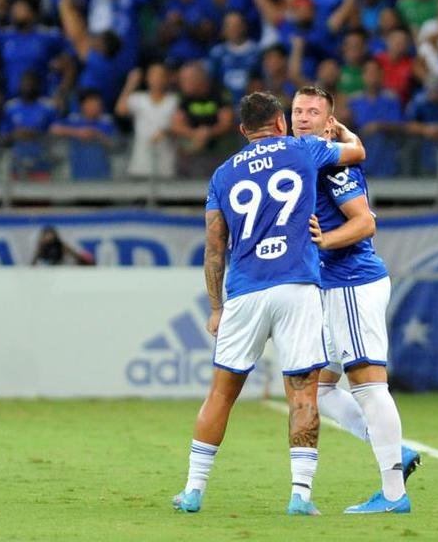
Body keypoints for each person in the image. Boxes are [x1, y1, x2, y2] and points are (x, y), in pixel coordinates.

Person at [171, 90, 366, 516]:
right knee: (303, 393)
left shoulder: (222, 175)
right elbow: (356, 153)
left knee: (221, 394)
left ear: (243, 131)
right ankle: (300, 496)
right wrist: (342, 131)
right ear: (281, 122)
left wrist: (216, 308)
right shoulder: (303, 148)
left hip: (245, 290)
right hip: (297, 286)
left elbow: (213, 248)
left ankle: (193, 491)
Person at [290, 85, 418, 514]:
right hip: (330, 287)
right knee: (322, 387)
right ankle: (392, 449)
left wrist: (324, 241)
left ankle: (395, 494)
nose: (303, 117)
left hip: (351, 282)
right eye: (297, 110)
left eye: (313, 112)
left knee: (367, 384)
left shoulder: (333, 168)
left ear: (330, 123)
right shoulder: (311, 158)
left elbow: (364, 223)